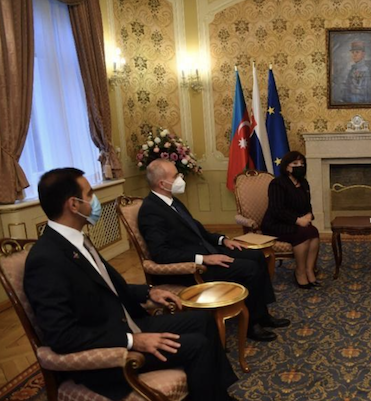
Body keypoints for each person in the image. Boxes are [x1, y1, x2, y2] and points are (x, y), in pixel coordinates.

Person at [24, 168, 238, 401]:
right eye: (90, 194)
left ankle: (218, 395)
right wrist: (132, 341)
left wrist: (149, 292)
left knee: (203, 320)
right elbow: (62, 335)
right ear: (74, 205)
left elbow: (108, 287)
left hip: (126, 324)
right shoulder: (46, 260)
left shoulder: (77, 240)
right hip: (108, 353)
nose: (95, 200)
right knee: (197, 345)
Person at [138, 159, 290, 342]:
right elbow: (161, 254)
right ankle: (252, 324)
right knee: (249, 268)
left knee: (256, 256)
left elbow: (197, 230)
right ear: (162, 184)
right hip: (189, 269)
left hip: (206, 251)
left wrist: (222, 240)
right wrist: (203, 259)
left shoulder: (172, 202)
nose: (181, 178)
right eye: (176, 175)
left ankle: (262, 315)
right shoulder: (151, 210)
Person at [261, 151, 320, 288]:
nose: (299, 166)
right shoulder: (277, 184)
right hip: (276, 224)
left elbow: (307, 205)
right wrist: (297, 220)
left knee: (314, 232)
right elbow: (276, 210)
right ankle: (300, 272)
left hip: (296, 222)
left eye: (302, 163)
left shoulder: (303, 183)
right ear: (287, 166)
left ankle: (309, 270)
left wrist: (309, 215)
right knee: (303, 234)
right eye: (295, 163)